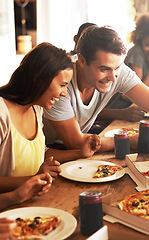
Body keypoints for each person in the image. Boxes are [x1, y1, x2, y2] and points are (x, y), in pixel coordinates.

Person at [43, 26, 149, 158]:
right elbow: (75, 142)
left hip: (86, 144)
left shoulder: (116, 71)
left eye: (117, 68)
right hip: (51, 152)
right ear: (82, 61)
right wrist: (125, 141)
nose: (113, 78)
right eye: (104, 69)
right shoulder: (61, 81)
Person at [0, 42, 101, 194]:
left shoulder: (36, 108)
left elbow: (39, 153)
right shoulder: (2, 113)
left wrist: (79, 152)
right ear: (39, 78)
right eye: (62, 85)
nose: (65, 93)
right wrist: (33, 178)